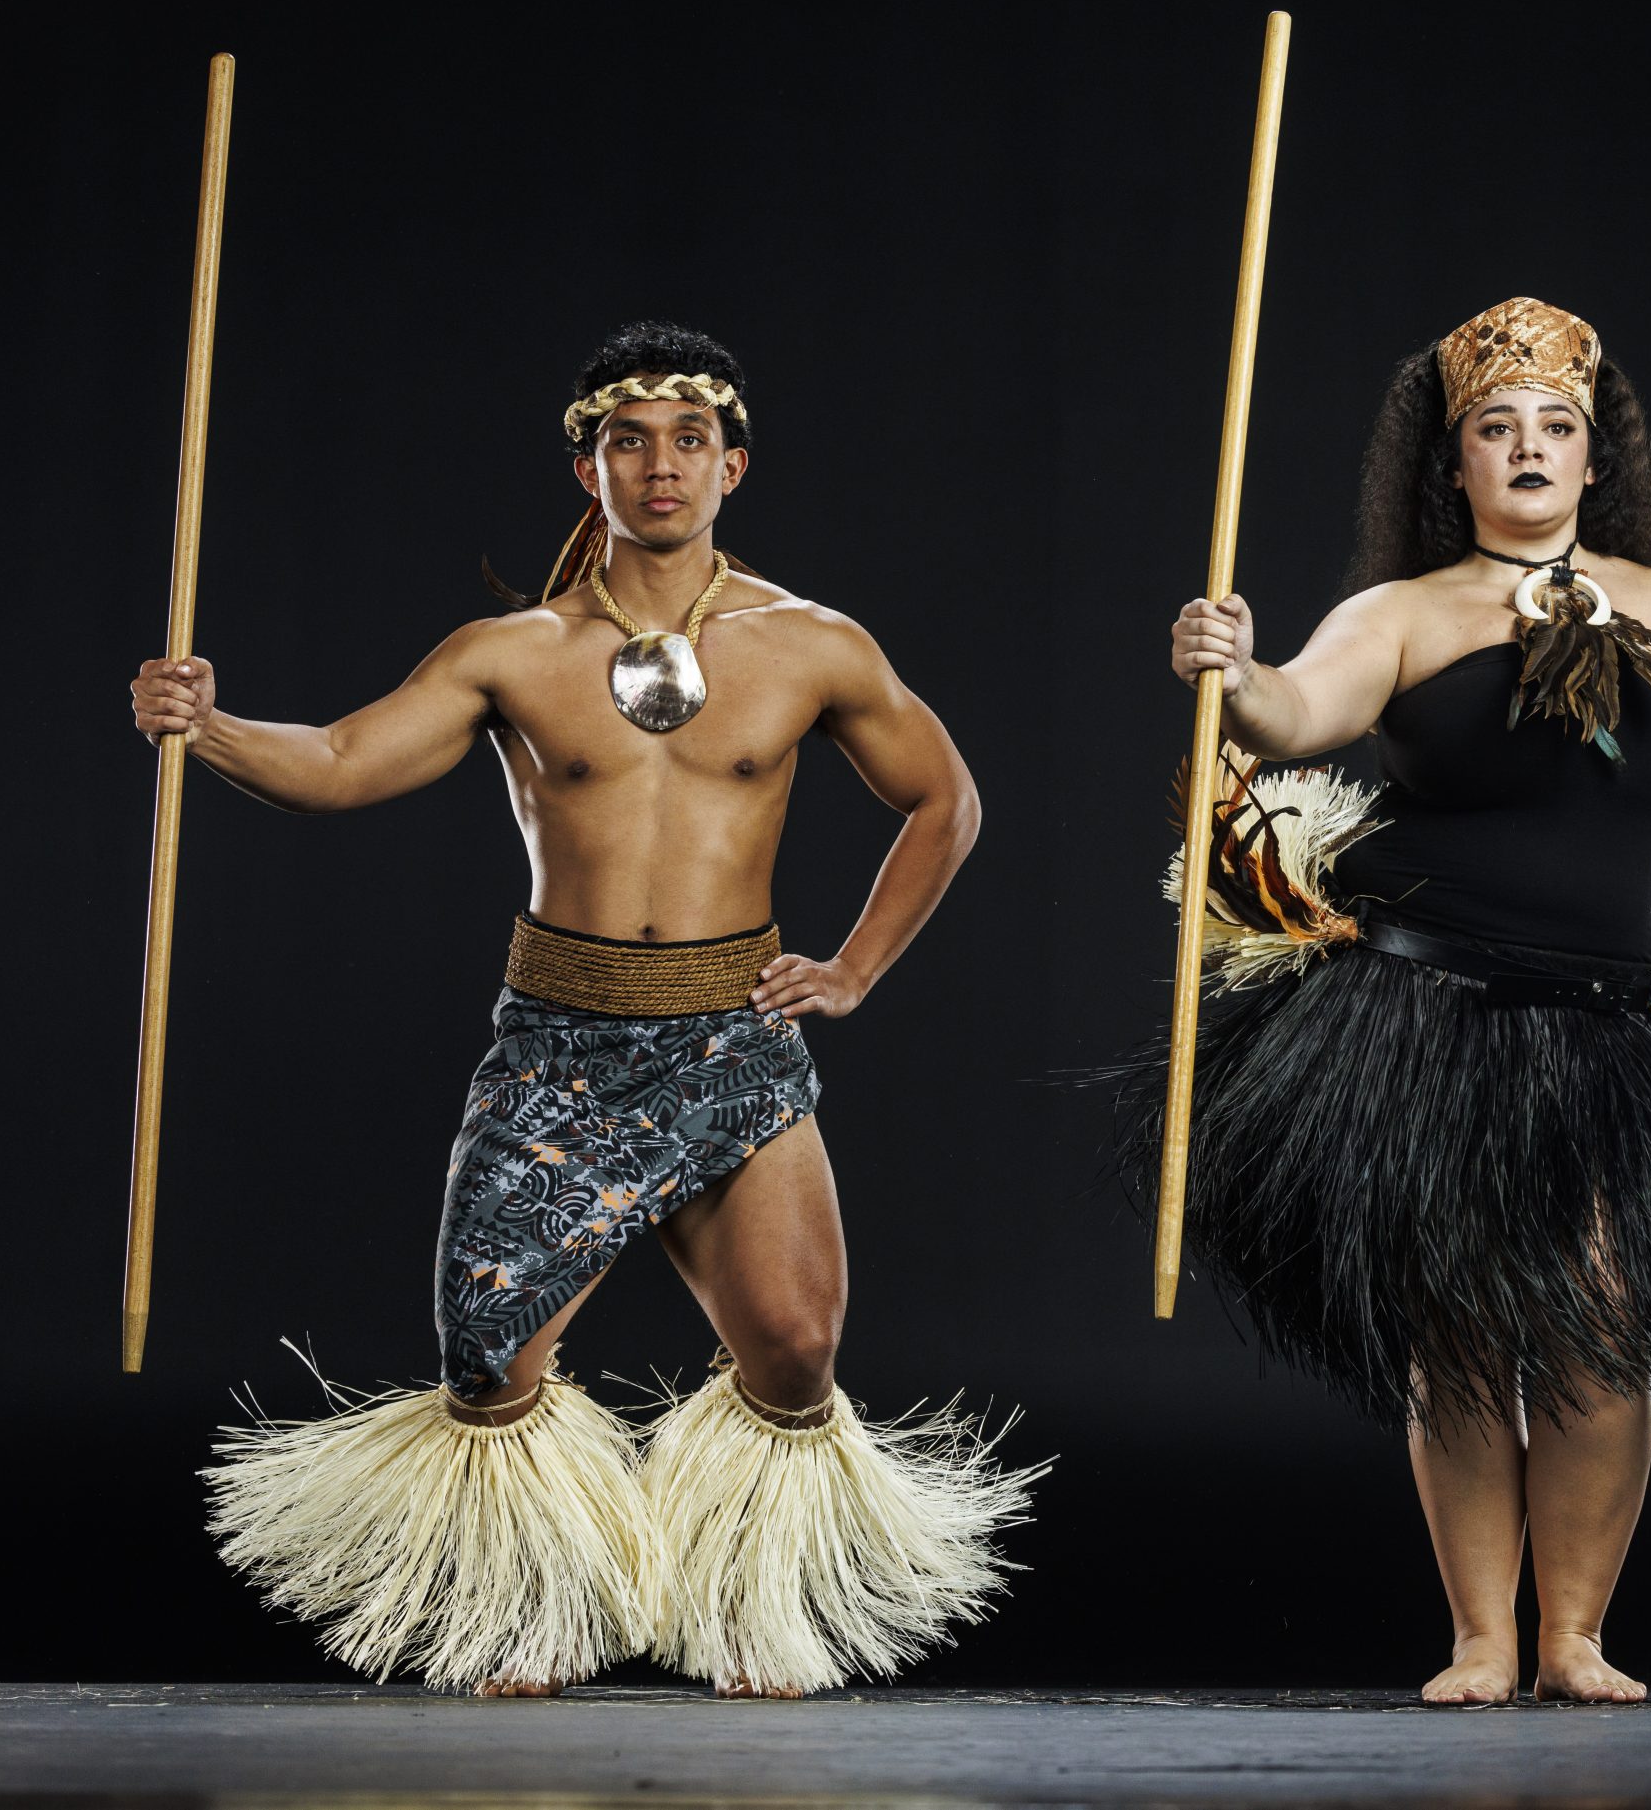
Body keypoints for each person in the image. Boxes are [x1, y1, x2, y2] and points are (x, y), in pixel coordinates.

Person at [131, 320, 1036, 1700]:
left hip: (732, 1038)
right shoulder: (513, 651)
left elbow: (946, 800)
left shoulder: (812, 644)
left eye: (687, 441)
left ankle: (737, 1600)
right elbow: (342, 760)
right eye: (628, 440)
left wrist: (852, 967)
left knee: (795, 1347)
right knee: (488, 1362)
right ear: (587, 468)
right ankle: (544, 1609)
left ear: (734, 465)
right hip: (560, 1039)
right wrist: (214, 725)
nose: (660, 466)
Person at [1138, 295, 1651, 1705]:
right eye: (1498, 429)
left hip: (1612, 1026)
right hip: (1433, 1016)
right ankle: (1484, 1637)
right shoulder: (1403, 614)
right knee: (1460, 1331)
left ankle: (1575, 1636)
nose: (1529, 448)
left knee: (1602, 1328)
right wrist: (1232, 674)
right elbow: (1297, 713)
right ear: (1459, 463)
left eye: (1555, 427)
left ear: (1595, 458)